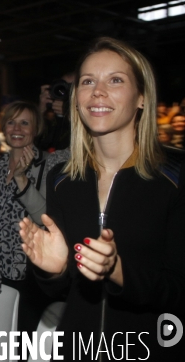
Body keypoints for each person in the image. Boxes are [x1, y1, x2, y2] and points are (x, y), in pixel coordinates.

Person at [19, 37, 185, 360]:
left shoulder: (175, 179)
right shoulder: (62, 180)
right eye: (88, 81)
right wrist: (53, 271)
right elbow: (62, 289)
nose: (98, 91)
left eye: (116, 80)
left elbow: (179, 289)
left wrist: (119, 272)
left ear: (141, 98)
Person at [0, 101, 64, 334]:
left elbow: (46, 219)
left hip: (28, 274)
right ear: (4, 128)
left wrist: (21, 179)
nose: (17, 128)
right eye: (11, 122)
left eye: (25, 122)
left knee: (23, 341)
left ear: (36, 129)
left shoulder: (49, 166)